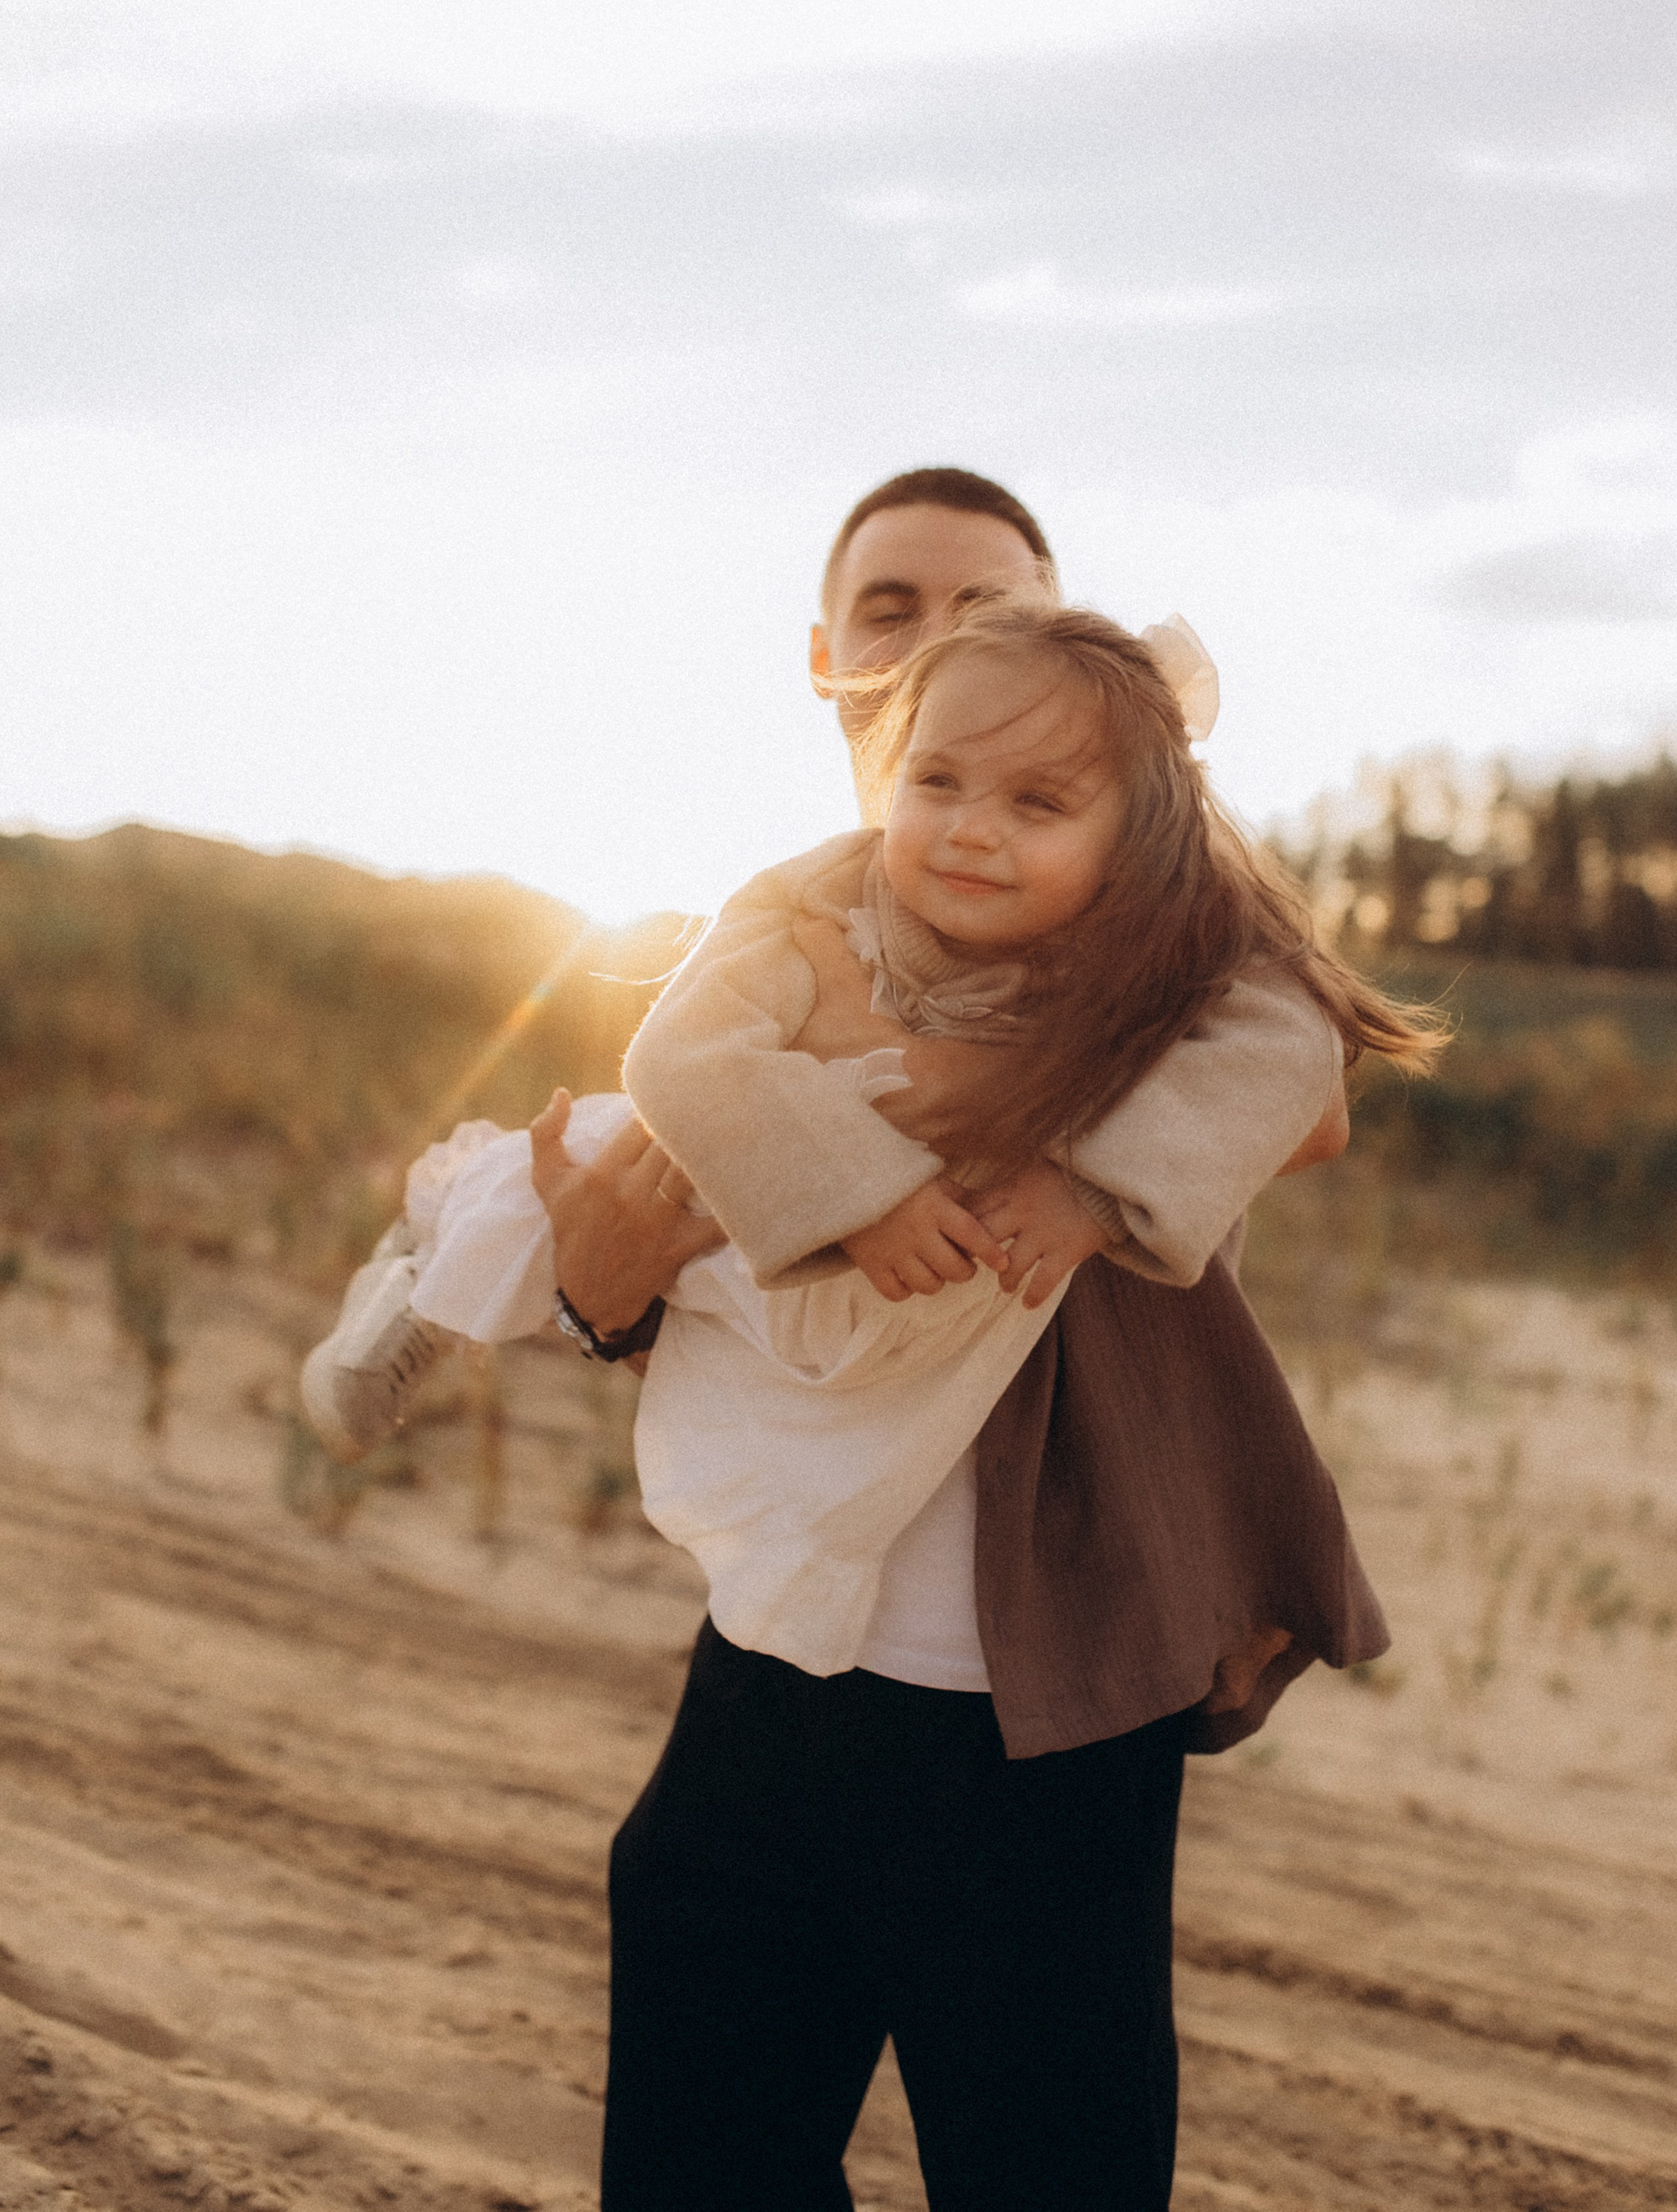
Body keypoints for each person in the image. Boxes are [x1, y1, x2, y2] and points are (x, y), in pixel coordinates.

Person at [525, 470, 1421, 2211]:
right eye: (894, 609)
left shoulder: (1158, 917)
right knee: (703, 2158)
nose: (945, 639)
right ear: (830, 664)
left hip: (1044, 1699)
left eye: (991, 605)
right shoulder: (775, 921)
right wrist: (603, 1277)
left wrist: (1034, 1152)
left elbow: (1294, 1085)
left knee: (1045, 2157)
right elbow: (642, 1252)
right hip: (778, 1668)